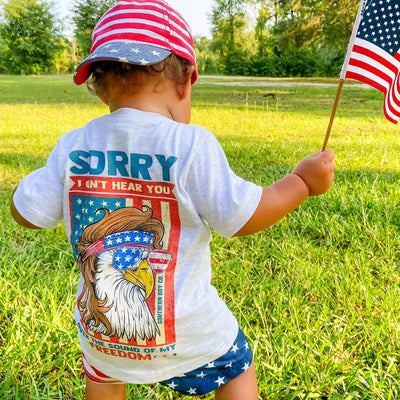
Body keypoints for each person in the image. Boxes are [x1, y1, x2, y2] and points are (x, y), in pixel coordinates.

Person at [10, 1, 335, 399]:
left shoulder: (74, 145)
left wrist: (20, 192)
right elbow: (243, 216)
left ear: (98, 86)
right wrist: (301, 181)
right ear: (187, 81)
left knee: (101, 374)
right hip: (192, 336)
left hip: (102, 333)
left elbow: (27, 214)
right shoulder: (191, 144)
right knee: (237, 365)